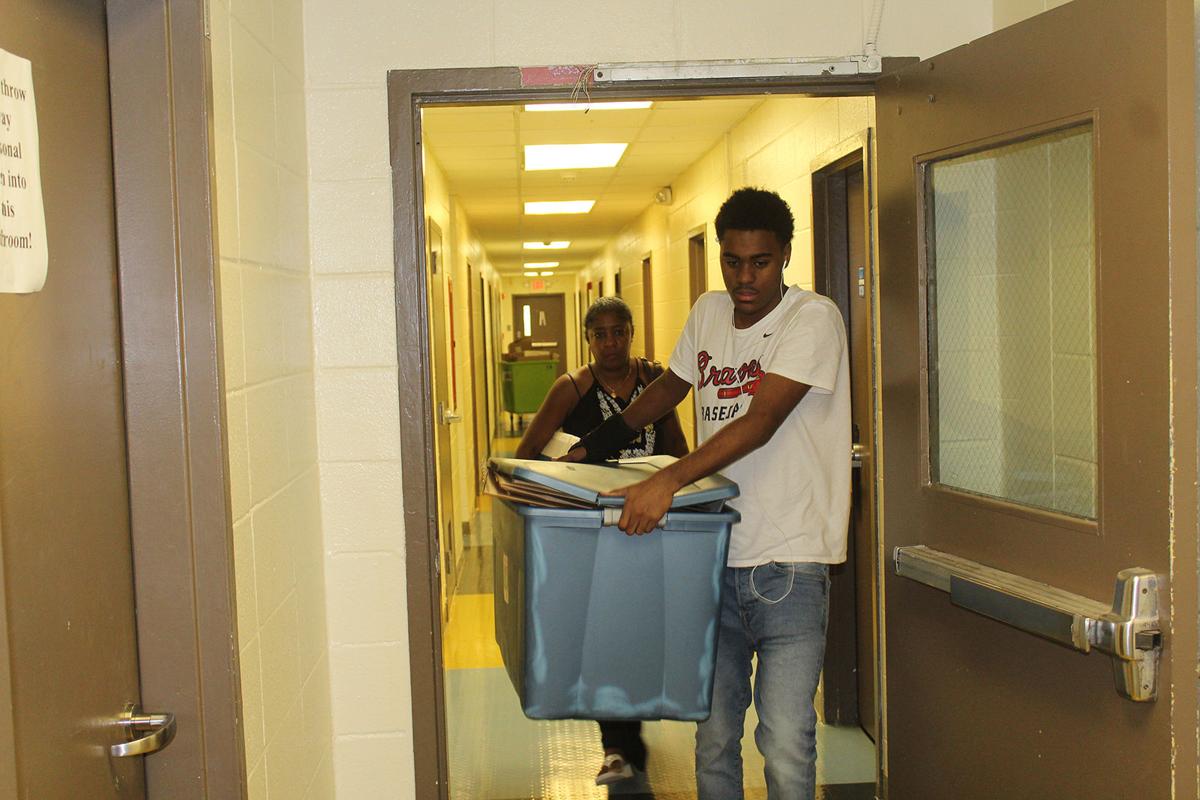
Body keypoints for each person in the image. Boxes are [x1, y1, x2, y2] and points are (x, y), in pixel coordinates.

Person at [566, 187, 851, 799]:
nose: (745, 279)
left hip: (790, 562)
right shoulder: (708, 311)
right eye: (732, 261)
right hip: (714, 554)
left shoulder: (813, 318)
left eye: (761, 263)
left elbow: (761, 420)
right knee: (715, 735)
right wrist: (595, 444)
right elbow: (668, 387)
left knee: (783, 740)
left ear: (786, 255)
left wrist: (668, 479)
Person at [514, 294, 688, 786]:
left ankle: (628, 733)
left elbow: (676, 447)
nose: (610, 342)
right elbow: (529, 454)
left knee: (642, 632)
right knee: (611, 632)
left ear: (631, 333)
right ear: (587, 339)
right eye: (599, 334)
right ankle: (619, 745)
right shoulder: (571, 389)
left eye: (619, 331)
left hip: (655, 525)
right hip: (598, 532)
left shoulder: (654, 382)